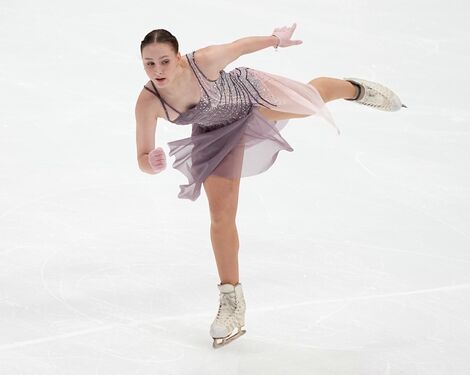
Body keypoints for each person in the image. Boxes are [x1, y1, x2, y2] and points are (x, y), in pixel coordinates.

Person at [135, 23, 404, 348]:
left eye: (164, 61)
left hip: (252, 98)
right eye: (149, 63)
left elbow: (239, 45)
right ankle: (232, 302)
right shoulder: (148, 102)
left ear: (177, 58)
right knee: (221, 219)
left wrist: (275, 40)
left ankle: (355, 89)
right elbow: (142, 158)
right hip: (216, 136)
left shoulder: (202, 61)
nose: (157, 70)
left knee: (310, 102)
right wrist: (151, 163)